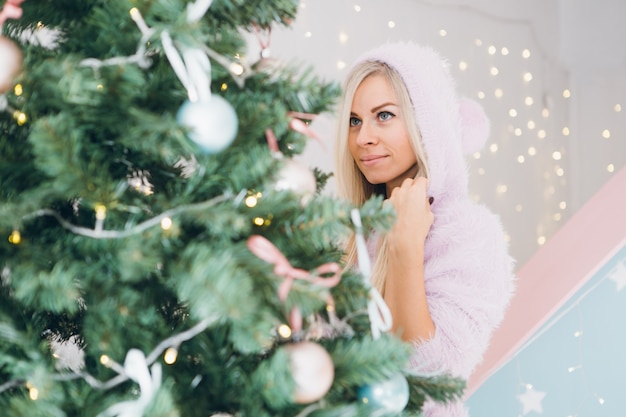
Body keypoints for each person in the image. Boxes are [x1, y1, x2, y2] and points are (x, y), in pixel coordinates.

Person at [334, 42, 516, 416]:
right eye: (354, 120)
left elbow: (427, 375)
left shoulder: (470, 234)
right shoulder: (351, 233)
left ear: (427, 122)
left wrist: (405, 244)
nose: (363, 137)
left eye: (383, 115)